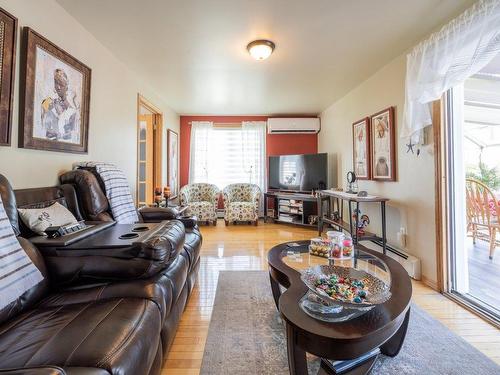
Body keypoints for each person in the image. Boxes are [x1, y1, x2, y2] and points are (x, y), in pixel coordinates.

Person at [40, 69, 80, 143]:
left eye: (61, 84)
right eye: (56, 83)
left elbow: (73, 135)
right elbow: (41, 128)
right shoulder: (47, 103)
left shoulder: (72, 110)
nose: (58, 87)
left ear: (66, 87)